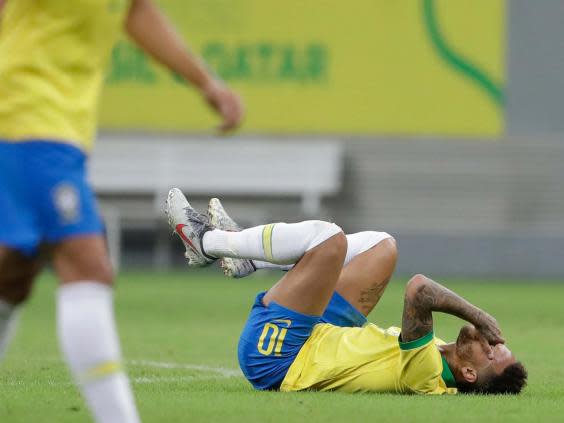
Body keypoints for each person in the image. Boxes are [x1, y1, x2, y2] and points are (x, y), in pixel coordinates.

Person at [0, 0, 243, 421]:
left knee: (12, 274)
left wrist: (207, 83)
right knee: (88, 267)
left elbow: (135, 11)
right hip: (26, 115)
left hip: (58, 129)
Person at [166, 188, 527, 395]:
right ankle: (250, 260)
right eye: (497, 342)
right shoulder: (442, 353)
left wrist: (481, 315)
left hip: (280, 358)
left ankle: (208, 242)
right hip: (323, 334)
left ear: (467, 373)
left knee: (328, 239)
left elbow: (419, 290)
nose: (490, 340)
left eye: (493, 352)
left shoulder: (429, 372)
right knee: (382, 247)